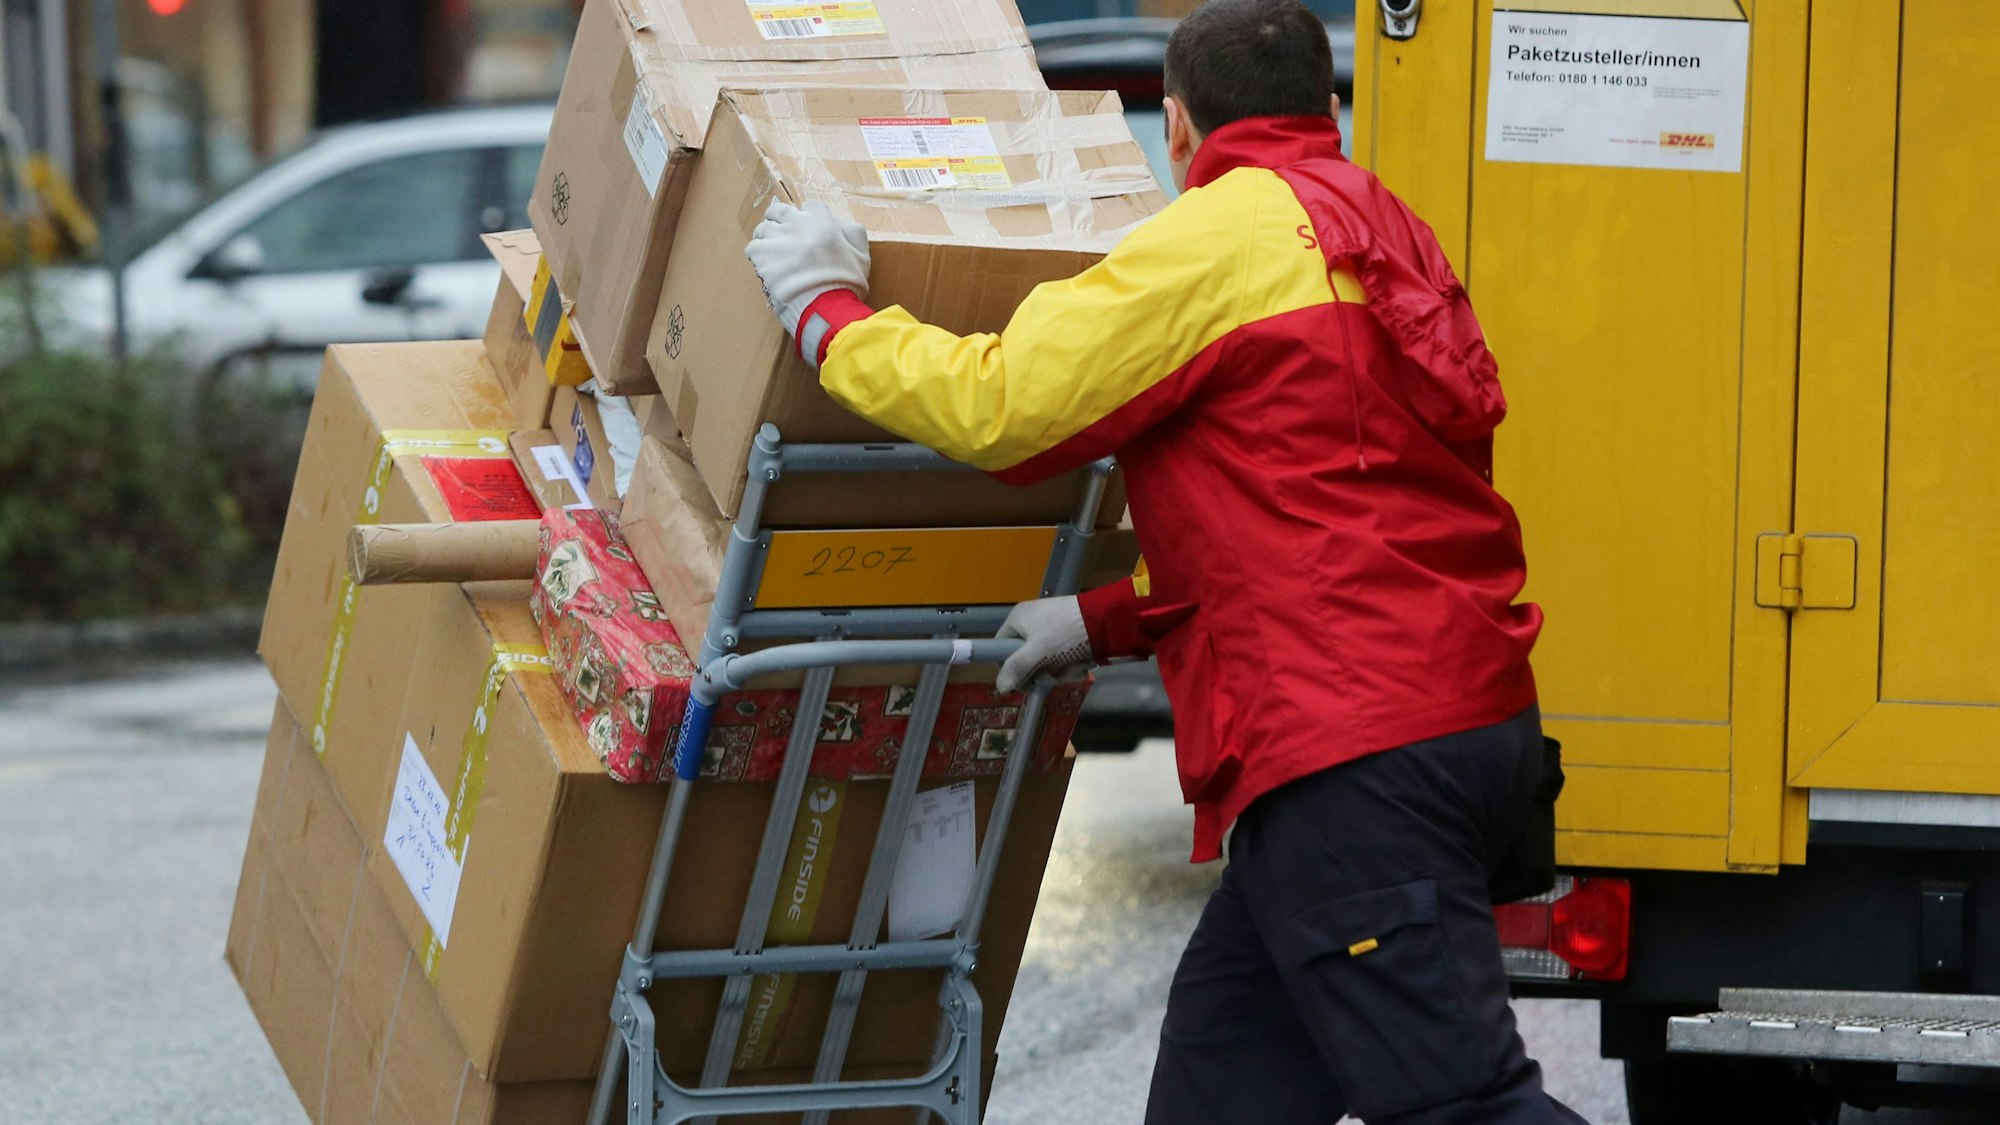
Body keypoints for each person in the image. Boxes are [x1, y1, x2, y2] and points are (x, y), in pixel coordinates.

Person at [743, 1, 1584, 1120]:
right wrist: (1105, 619)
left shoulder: (1207, 245)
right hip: (1458, 721)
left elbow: (1003, 410)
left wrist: (825, 315)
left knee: (1457, 1102)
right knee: (1220, 1085)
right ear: (1323, 109)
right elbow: (1336, 517)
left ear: (1176, 126)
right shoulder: (1384, 225)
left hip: (1349, 756)